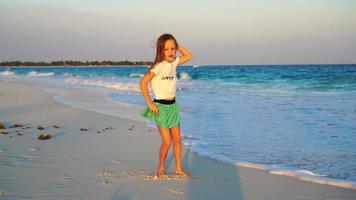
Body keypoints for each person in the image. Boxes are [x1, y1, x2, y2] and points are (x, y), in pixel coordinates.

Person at [139, 33, 193, 177]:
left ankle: (179, 169)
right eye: (166, 49)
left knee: (177, 140)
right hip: (160, 108)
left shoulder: (174, 62)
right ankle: (161, 166)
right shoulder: (158, 66)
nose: (170, 52)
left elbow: (189, 56)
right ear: (160, 50)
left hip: (173, 106)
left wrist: (178, 45)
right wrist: (150, 103)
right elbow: (143, 83)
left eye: (173, 48)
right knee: (167, 142)